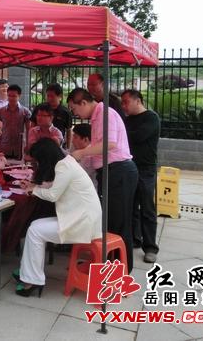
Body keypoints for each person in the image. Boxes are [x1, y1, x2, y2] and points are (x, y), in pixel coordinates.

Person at [14, 139, 101, 297]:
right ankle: (29, 273)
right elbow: (57, 186)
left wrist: (34, 190)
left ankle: (32, 279)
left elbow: (53, 195)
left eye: (38, 161)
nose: (37, 164)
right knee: (35, 227)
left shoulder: (64, 166)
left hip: (82, 223)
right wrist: (35, 186)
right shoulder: (66, 163)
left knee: (35, 230)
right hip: (82, 218)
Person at [67, 88, 138, 272]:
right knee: (110, 222)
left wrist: (82, 152)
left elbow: (109, 144)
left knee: (119, 223)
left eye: (75, 109)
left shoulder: (105, 114)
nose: (75, 114)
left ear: (83, 102)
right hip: (111, 172)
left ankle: (121, 270)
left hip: (119, 171)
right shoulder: (97, 116)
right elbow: (99, 146)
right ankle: (109, 265)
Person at [121, 89, 161, 263]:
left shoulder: (151, 118)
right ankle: (135, 238)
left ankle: (150, 247)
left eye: (126, 102)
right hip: (129, 167)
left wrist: (123, 135)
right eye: (122, 102)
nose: (123, 106)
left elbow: (137, 137)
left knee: (147, 208)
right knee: (130, 206)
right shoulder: (128, 120)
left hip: (146, 169)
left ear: (138, 101)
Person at [0, 85, 31, 159]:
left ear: (19, 96)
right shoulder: (0, 111)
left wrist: (28, 145)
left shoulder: (25, 112)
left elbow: (29, 130)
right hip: (4, 147)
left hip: (19, 148)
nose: (11, 98)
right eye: (9, 95)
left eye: (14, 96)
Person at [45, 83, 73, 149]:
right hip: (42, 143)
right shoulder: (40, 109)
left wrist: (68, 148)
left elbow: (69, 130)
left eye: (52, 96)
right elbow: (33, 125)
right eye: (48, 96)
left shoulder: (66, 112)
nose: (49, 99)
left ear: (60, 96)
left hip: (59, 145)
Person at [71, 123, 97, 188]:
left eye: (75, 137)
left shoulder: (89, 156)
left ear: (85, 140)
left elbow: (74, 174)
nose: (72, 141)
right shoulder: (80, 149)